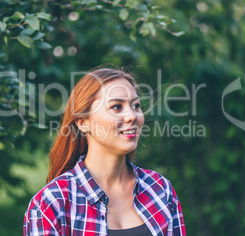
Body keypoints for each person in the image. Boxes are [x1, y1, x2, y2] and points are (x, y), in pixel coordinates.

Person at [23, 68, 186, 235]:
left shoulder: (159, 189)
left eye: (136, 106)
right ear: (82, 123)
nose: (132, 116)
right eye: (116, 107)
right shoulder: (51, 203)